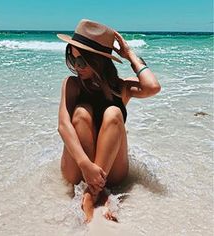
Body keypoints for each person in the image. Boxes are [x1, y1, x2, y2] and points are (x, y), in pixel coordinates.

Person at [57, 19, 161, 223]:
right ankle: (98, 193)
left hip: (110, 172)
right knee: (80, 113)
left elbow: (153, 87)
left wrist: (130, 54)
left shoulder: (121, 88)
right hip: (78, 168)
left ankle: (91, 194)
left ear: (100, 61)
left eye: (82, 61)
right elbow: (63, 125)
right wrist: (85, 164)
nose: (77, 67)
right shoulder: (72, 85)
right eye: (73, 59)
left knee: (114, 112)